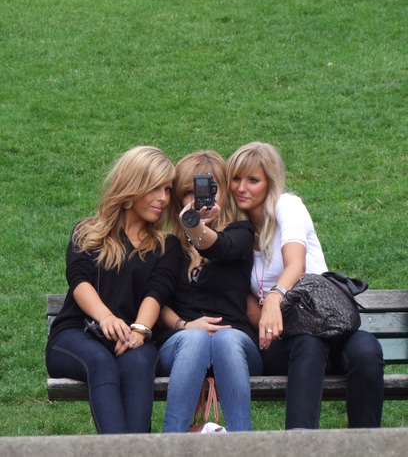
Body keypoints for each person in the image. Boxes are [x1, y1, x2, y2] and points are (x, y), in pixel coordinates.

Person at [226, 141, 384, 429]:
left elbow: (295, 263)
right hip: (285, 341)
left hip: (327, 326)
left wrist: (274, 297)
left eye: (253, 180)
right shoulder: (235, 230)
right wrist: (268, 322)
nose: (241, 188)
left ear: (270, 183)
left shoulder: (287, 206)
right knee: (308, 344)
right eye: (236, 178)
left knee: (366, 349)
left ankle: (367, 445)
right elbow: (244, 297)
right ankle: (298, 444)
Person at [46, 146, 183, 434]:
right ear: (132, 186)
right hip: (78, 333)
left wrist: (139, 331)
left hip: (134, 338)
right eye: (155, 188)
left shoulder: (166, 245)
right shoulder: (87, 231)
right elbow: (79, 280)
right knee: (101, 362)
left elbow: (157, 292)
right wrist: (106, 318)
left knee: (138, 364)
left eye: (168, 189)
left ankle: (134, 452)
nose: (163, 198)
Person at [154, 151, 263, 432]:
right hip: (181, 346)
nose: (199, 200)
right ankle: (171, 445)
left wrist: (195, 227)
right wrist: (186, 326)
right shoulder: (168, 246)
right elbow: (156, 299)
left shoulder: (241, 233)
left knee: (226, 338)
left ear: (224, 193)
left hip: (235, 347)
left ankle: (243, 445)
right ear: (178, 199)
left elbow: (221, 247)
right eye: (188, 193)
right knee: (195, 339)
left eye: (209, 190)